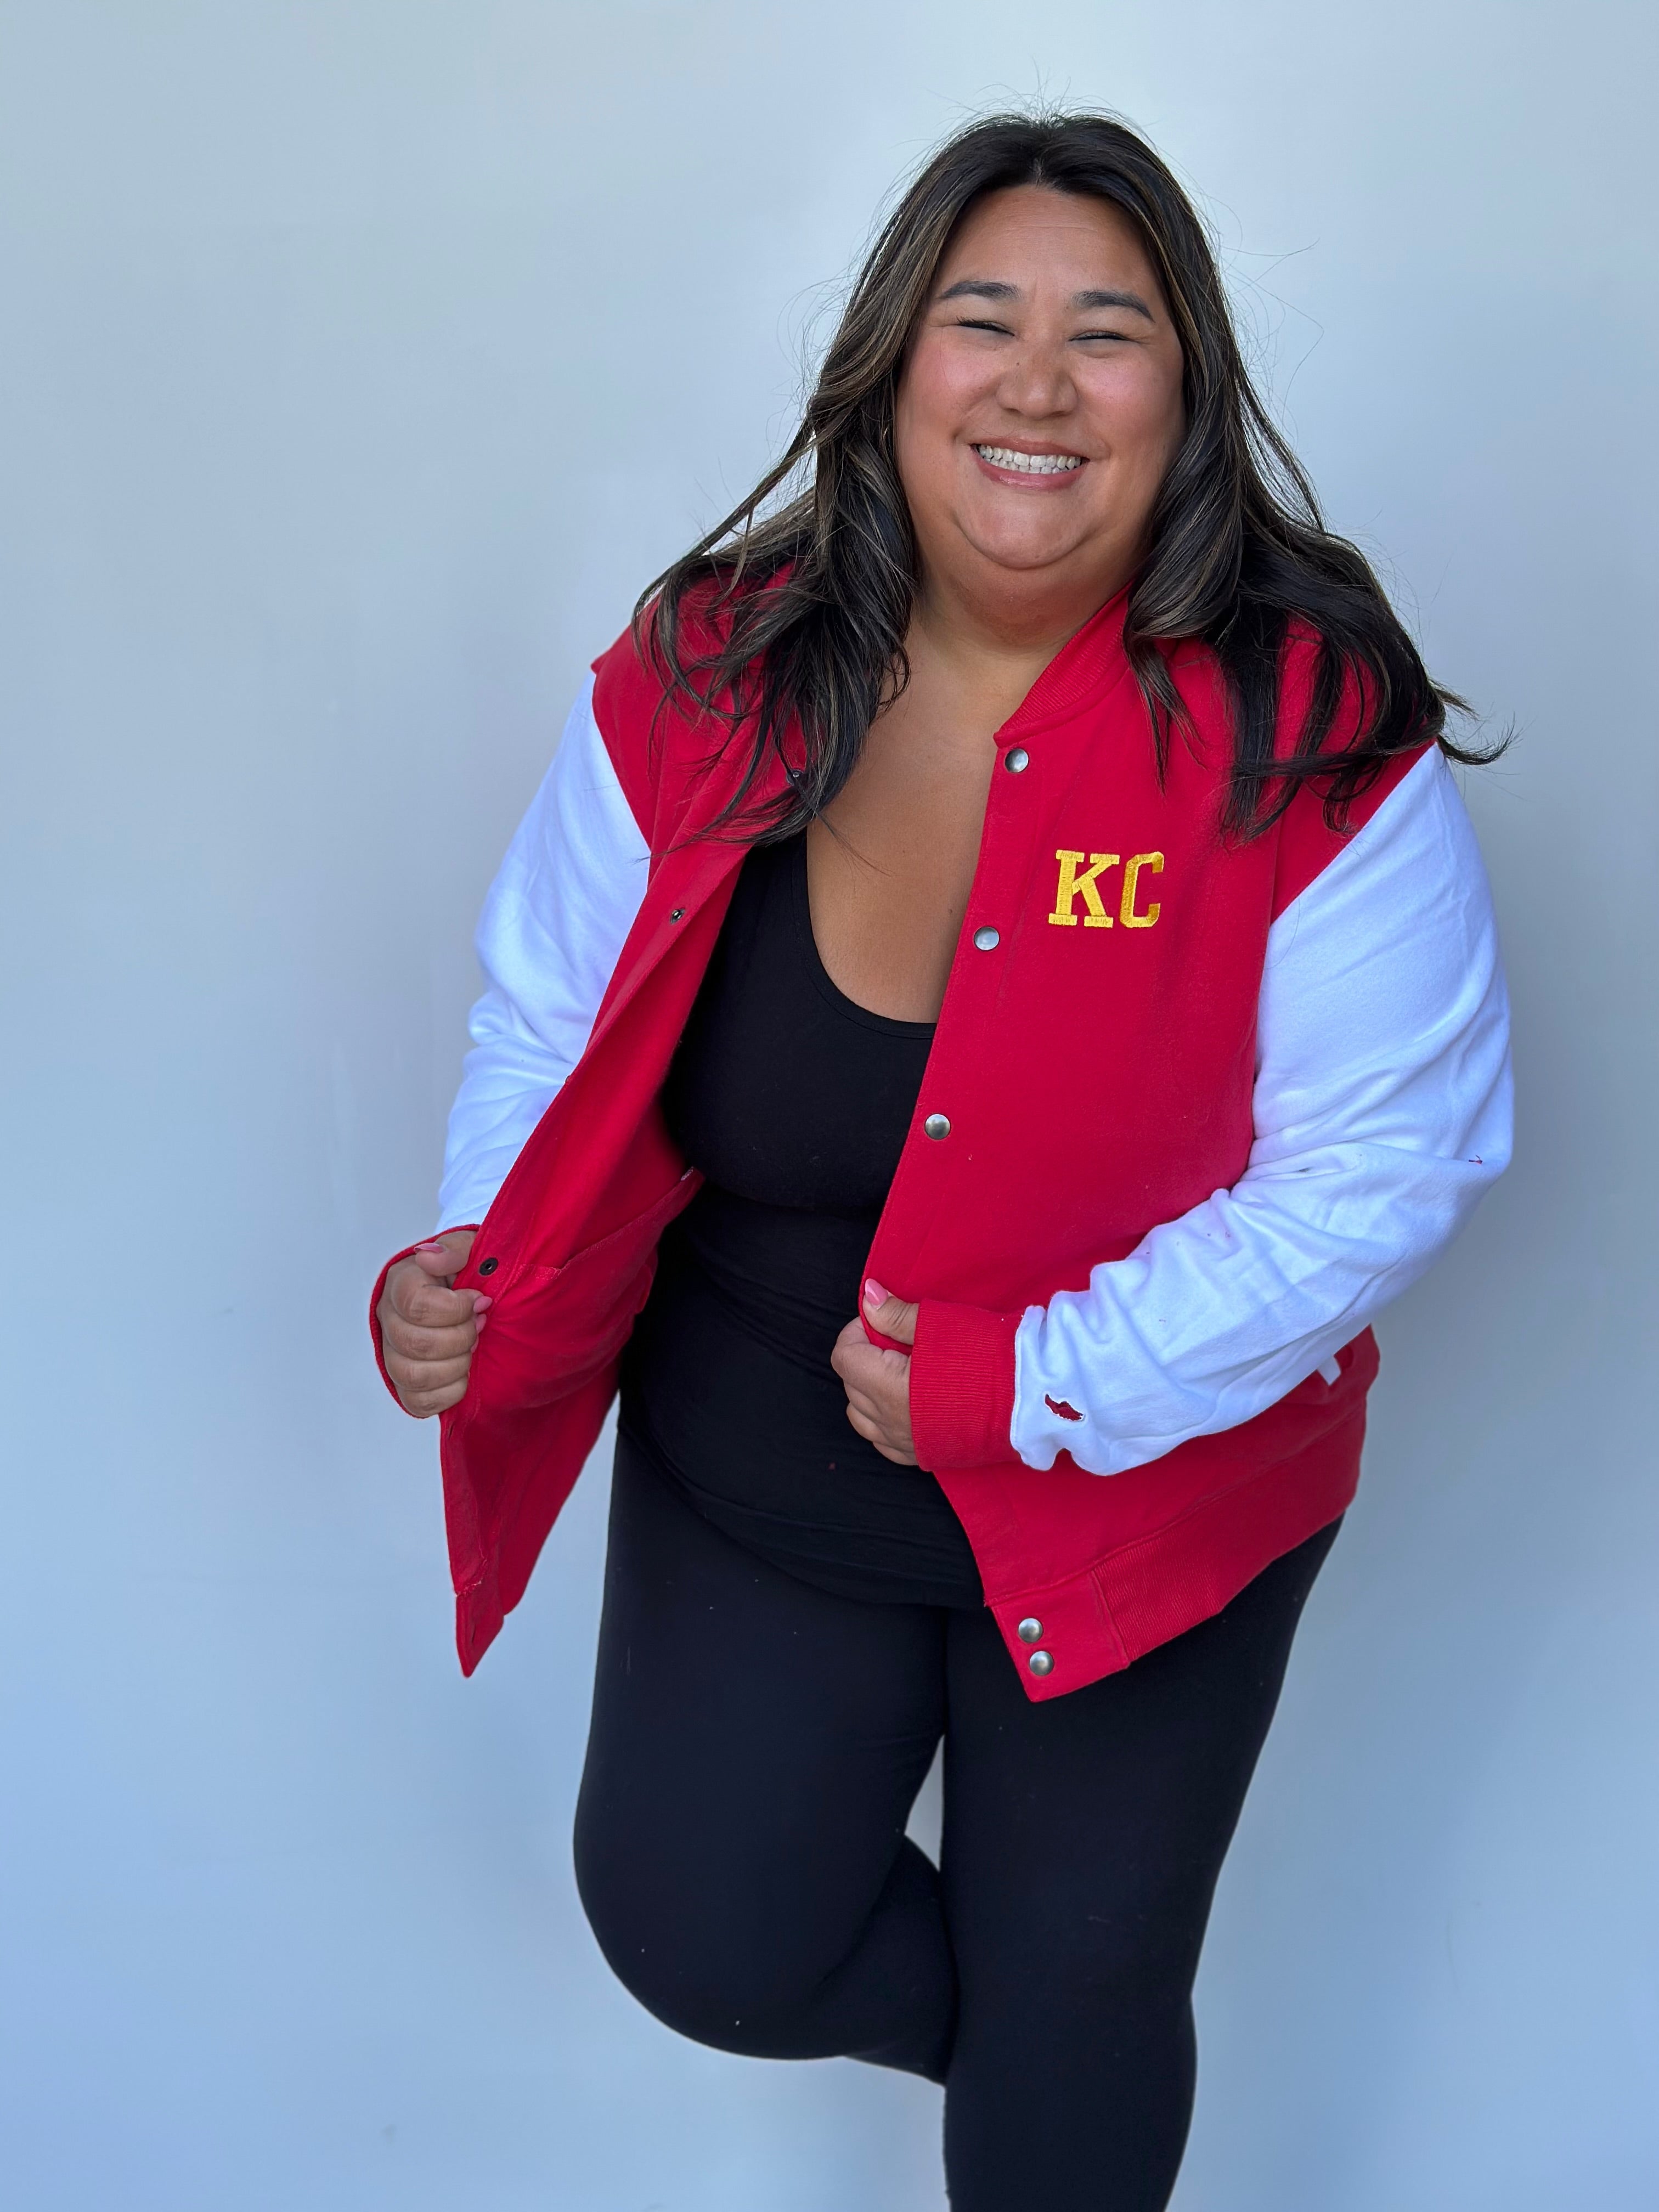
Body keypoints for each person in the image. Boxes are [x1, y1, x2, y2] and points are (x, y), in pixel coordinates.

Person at [370, 111, 1511, 2211]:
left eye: (1110, 332)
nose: (1039, 385)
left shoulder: (1307, 729)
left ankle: (1072, 2058)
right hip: (754, 1459)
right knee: (711, 1934)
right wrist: (476, 1250)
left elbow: (1384, 1166)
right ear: (897, 363)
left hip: (1152, 1484)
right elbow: (551, 1010)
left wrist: (1030, 1383)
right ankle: (1062, 2054)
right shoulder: (713, 664)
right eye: (984, 320)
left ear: (1189, 388)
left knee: (1082, 2004)